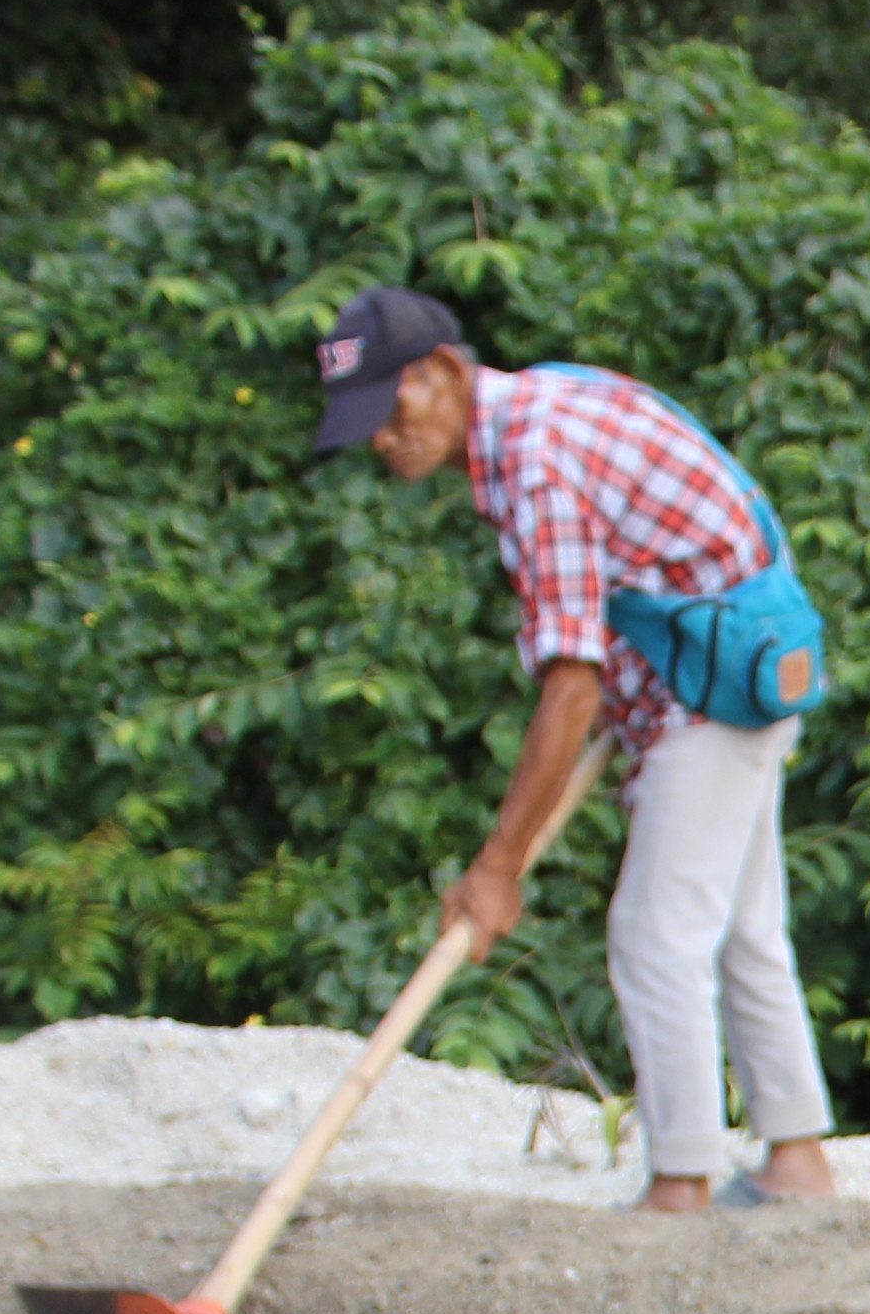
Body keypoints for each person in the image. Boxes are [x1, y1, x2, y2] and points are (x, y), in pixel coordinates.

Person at [313, 288, 839, 1214]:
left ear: (441, 374)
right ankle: (797, 1163)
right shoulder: (539, 405)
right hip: (739, 668)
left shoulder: (533, 465)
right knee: (743, 927)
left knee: (654, 934)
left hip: (711, 690)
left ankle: (681, 1183)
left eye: (389, 412)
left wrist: (497, 868)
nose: (380, 442)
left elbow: (571, 681)